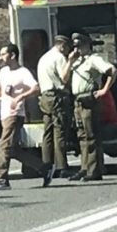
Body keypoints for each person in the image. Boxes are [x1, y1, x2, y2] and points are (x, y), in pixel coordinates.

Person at [0, 44, 54, 191]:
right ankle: (44, 168)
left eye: (3, 54)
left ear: (13, 55)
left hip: (15, 115)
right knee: (13, 150)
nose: (0, 57)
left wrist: (20, 97)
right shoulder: (3, 72)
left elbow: (36, 88)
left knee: (4, 146)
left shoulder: (23, 72)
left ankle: (1, 180)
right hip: (4, 114)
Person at [68, 32, 117, 182]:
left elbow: (112, 71)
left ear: (87, 45)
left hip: (89, 99)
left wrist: (104, 90)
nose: (77, 49)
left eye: (80, 46)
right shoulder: (76, 62)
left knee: (91, 136)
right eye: (75, 46)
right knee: (82, 136)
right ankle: (85, 168)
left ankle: (94, 170)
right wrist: (70, 61)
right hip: (77, 100)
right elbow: (64, 78)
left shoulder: (94, 60)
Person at [37, 35, 74, 177]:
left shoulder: (43, 58)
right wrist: (70, 62)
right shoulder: (59, 58)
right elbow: (64, 77)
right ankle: (61, 166)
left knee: (47, 131)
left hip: (45, 96)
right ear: (63, 46)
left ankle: (46, 164)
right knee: (60, 131)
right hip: (56, 96)